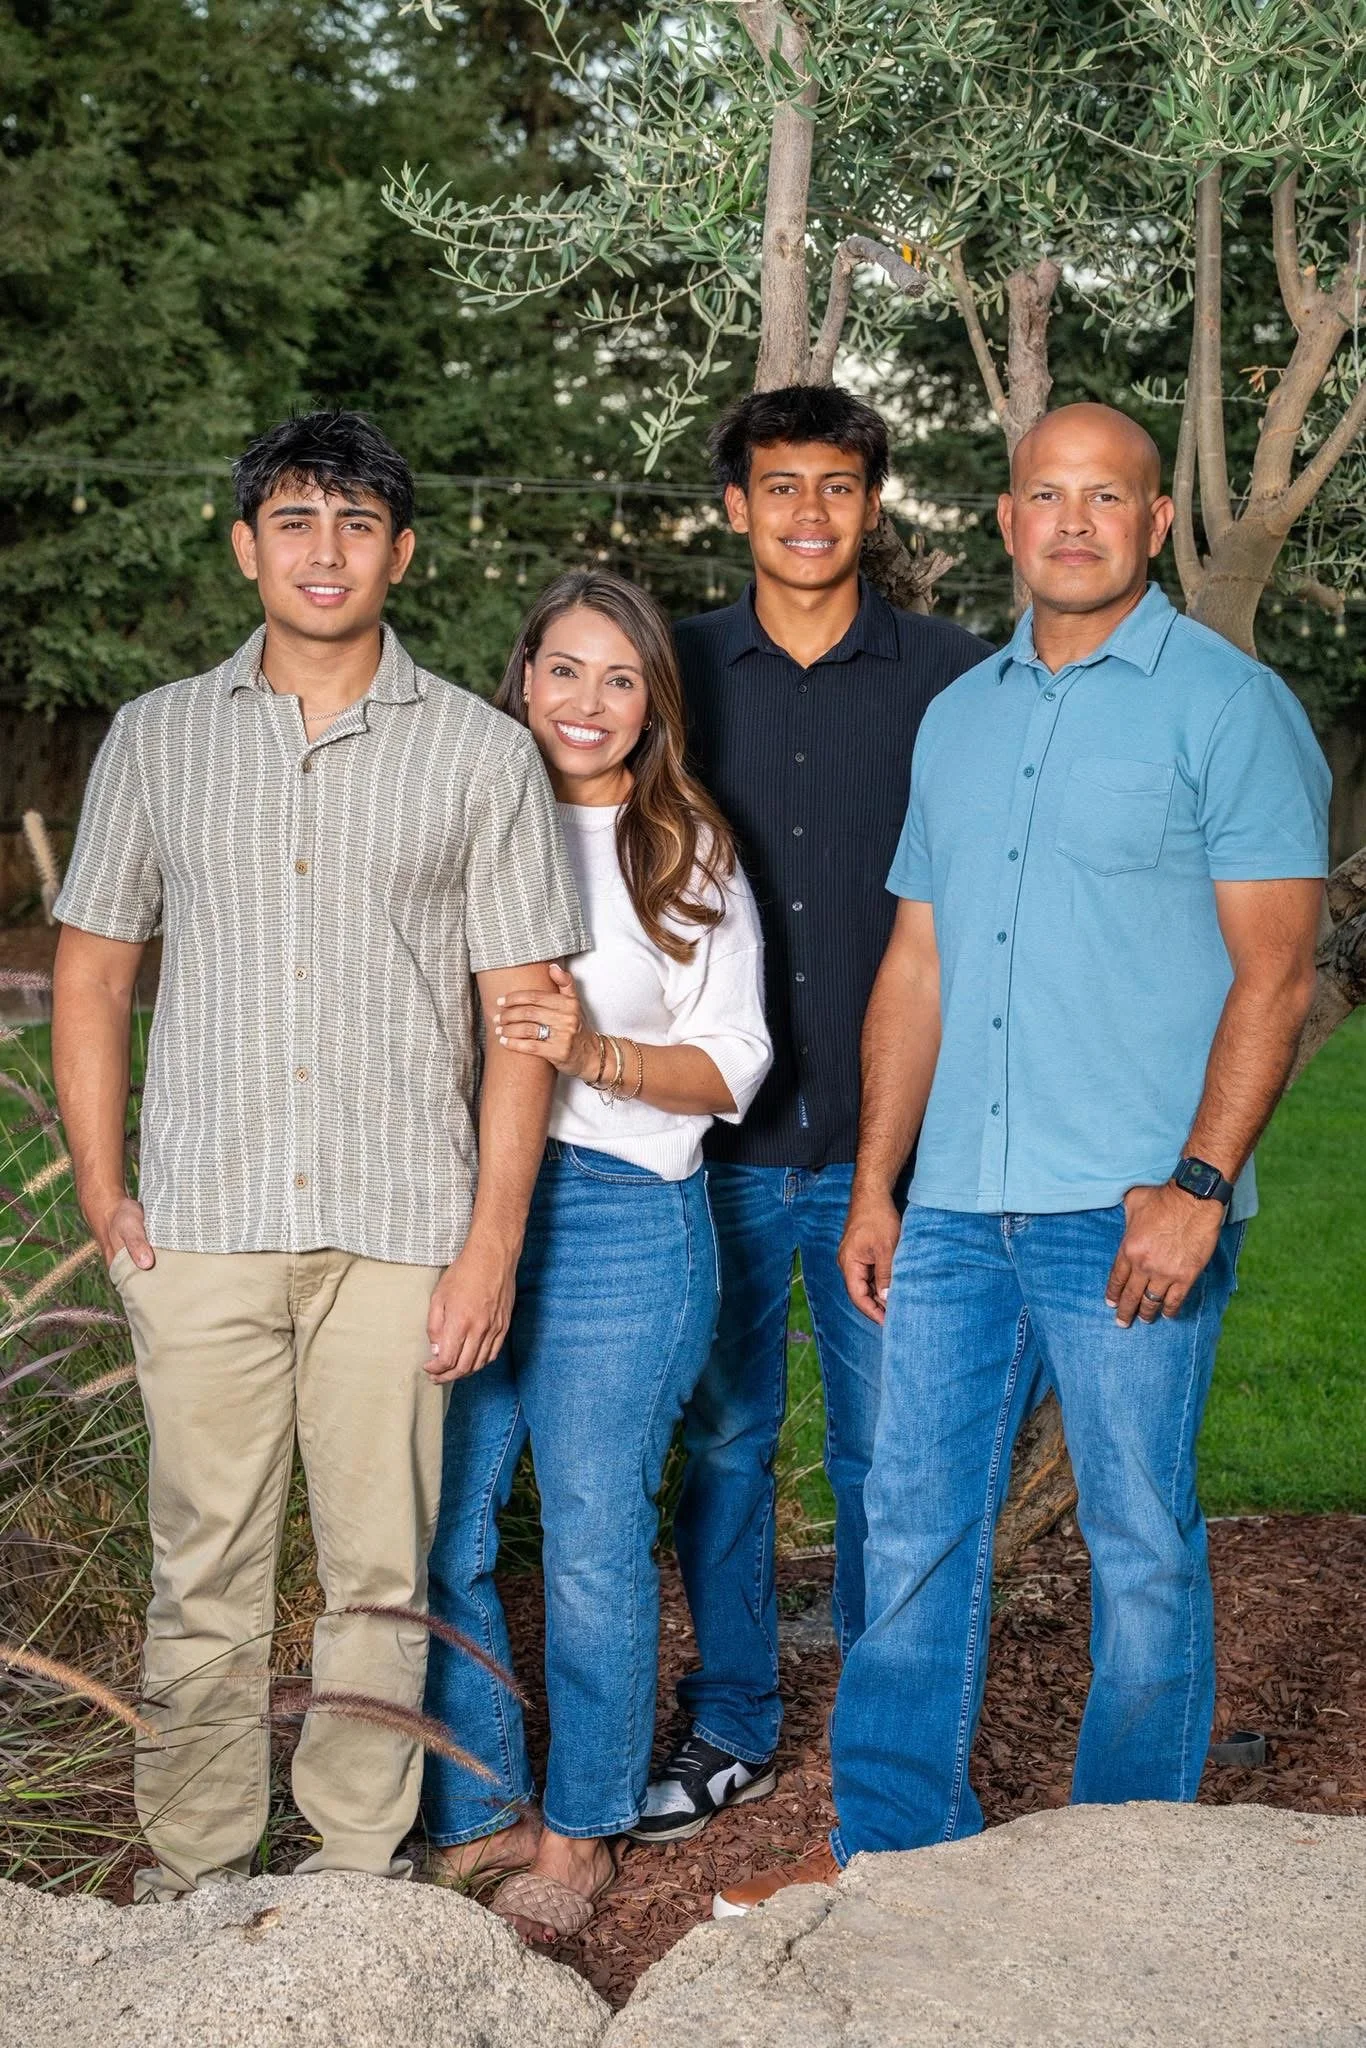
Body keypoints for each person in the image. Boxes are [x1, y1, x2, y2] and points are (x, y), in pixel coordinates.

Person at [716, 400, 1330, 1912]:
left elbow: (1279, 972)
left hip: (1124, 1211)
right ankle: (895, 1853)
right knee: (910, 1526)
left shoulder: (1225, 705)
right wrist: (875, 1183)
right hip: (950, 1212)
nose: (1071, 522)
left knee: (1138, 1539)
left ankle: (1120, 1870)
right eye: (1044, 496)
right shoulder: (964, 714)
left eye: (1104, 498)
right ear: (1005, 521)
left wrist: (1194, 1187)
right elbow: (915, 965)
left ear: (1153, 524)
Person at [51, 411, 587, 1901]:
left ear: (402, 553)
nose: (325, 550)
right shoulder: (157, 738)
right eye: (295, 521)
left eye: (356, 524)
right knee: (201, 1575)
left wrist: (487, 1241)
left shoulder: (482, 758)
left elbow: (523, 1022)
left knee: (378, 1577)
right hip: (204, 1226)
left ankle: (354, 1871)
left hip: (399, 1228)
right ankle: (199, 1864)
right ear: (246, 547)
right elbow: (93, 975)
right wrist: (105, 1190)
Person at [631, 387, 988, 1843]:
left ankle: (883, 1739)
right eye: (778, 488)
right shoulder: (672, 674)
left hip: (884, 1157)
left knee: (887, 1459)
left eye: (834, 487)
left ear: (871, 503)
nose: (806, 515)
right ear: (736, 508)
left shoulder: (958, 682)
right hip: (698, 1154)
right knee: (721, 1448)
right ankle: (732, 1724)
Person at [421, 570, 771, 1941]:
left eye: (618, 678)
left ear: (650, 706)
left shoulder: (683, 846)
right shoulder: (456, 821)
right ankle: (474, 1805)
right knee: (444, 1531)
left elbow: (738, 1058)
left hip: (624, 1218)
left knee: (590, 1540)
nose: (586, 701)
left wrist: (597, 1053)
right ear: (520, 681)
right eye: (563, 670)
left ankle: (582, 1825)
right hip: (456, 1215)